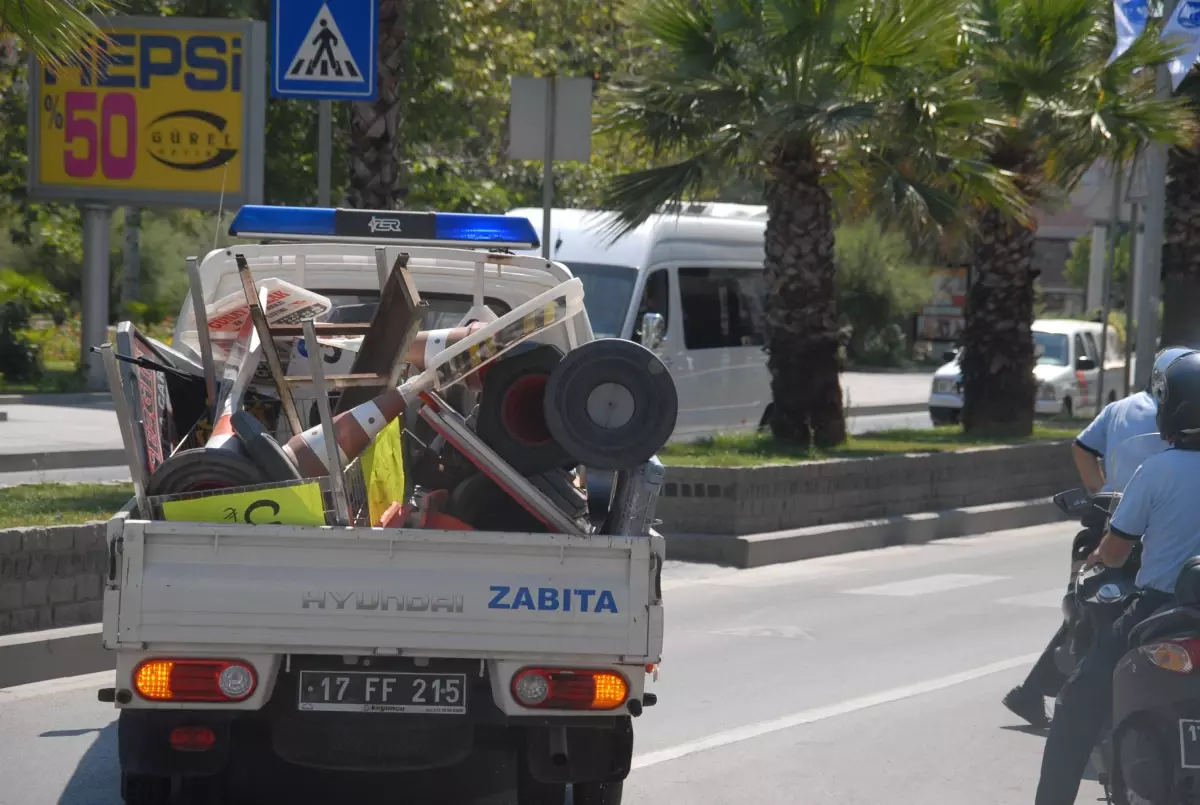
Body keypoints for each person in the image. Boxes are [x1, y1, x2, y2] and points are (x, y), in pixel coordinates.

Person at [1033, 349, 1200, 805]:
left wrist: (1094, 564)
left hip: (1160, 608)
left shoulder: (1157, 469)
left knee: (1075, 707)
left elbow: (1115, 548)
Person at [1001, 346, 1192, 727]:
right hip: (1134, 534)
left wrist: (1100, 495)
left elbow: (1082, 447)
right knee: (1096, 610)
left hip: (1121, 527)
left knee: (1094, 606)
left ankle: (1052, 703)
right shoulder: (1166, 457)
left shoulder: (1123, 414)